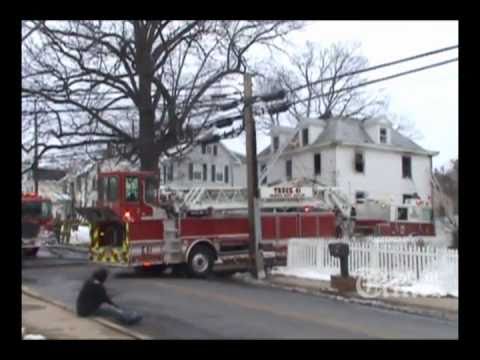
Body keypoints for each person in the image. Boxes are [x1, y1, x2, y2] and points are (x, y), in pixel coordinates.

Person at [76, 268, 142, 326]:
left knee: (108, 307)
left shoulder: (89, 281)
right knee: (111, 310)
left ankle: (125, 315)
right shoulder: (97, 285)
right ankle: (128, 319)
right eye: (105, 277)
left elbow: (100, 296)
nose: (105, 279)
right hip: (86, 311)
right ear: (102, 277)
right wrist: (116, 307)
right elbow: (106, 299)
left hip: (81, 309)